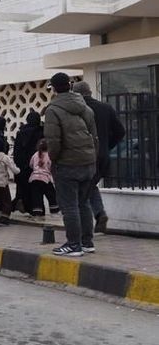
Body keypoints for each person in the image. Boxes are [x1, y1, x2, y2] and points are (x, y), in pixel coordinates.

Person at [44, 72, 98, 257]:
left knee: (69, 206)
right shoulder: (85, 107)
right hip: (88, 162)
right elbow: (94, 135)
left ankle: (74, 245)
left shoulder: (53, 110)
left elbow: (53, 141)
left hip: (67, 164)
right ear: (70, 85)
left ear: (54, 88)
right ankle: (87, 242)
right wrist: (92, 157)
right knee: (84, 204)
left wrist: (55, 159)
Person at [72, 81, 126, 233]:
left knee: (81, 193)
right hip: (102, 156)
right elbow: (120, 131)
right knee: (89, 185)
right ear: (89, 91)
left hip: (83, 156)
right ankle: (99, 214)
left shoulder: (78, 110)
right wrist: (107, 147)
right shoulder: (106, 108)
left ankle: (85, 231)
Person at [12, 111, 44, 214]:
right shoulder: (41, 133)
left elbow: (16, 150)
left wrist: (17, 163)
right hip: (36, 164)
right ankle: (35, 209)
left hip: (22, 164)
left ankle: (22, 203)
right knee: (36, 187)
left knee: (22, 185)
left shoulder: (21, 132)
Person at [0, 137, 20, 226]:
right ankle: (4, 219)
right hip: (2, 182)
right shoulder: (5, 157)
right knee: (6, 201)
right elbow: (13, 169)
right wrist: (18, 171)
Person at [29, 138, 59, 216]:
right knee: (51, 195)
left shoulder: (35, 154)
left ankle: (37, 211)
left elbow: (31, 164)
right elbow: (51, 166)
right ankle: (54, 209)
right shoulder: (49, 155)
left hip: (34, 178)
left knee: (36, 196)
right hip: (46, 178)